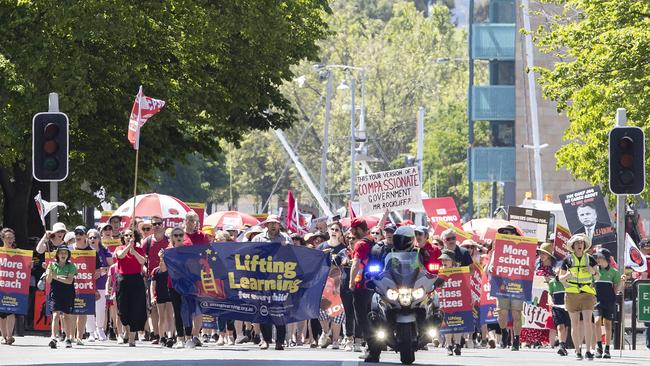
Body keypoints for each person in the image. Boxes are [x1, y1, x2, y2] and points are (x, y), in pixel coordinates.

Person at [252, 215, 291, 350]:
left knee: (279, 311)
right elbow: (251, 257)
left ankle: (280, 341)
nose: (273, 225)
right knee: (264, 310)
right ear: (266, 225)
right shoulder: (258, 238)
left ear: (279, 225)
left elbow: (293, 258)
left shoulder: (286, 238)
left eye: (276, 223)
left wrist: (287, 248)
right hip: (263, 280)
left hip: (280, 281)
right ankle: (266, 340)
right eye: (271, 223)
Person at [559, 233, 599, 360]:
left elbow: (598, 276)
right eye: (577, 243)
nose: (580, 245)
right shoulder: (567, 260)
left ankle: (588, 350)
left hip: (587, 293)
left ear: (584, 245)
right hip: (571, 294)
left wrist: (592, 271)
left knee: (588, 322)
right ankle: (577, 351)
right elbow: (560, 278)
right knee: (574, 323)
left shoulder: (590, 259)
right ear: (573, 246)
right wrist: (567, 276)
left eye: (581, 242)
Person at [347, 218, 376, 359]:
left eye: (352, 229)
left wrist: (351, 282)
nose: (351, 232)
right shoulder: (374, 242)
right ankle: (374, 345)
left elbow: (356, 264)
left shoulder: (360, 244)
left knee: (362, 318)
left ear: (358, 229)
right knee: (372, 317)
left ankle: (371, 347)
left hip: (361, 285)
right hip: (375, 286)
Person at [114, 229, 147, 347]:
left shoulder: (139, 250)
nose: (128, 237)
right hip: (123, 280)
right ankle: (126, 332)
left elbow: (143, 261)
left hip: (136, 280)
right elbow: (120, 256)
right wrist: (128, 247)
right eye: (126, 235)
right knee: (123, 310)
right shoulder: (120, 248)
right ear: (123, 237)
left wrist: (134, 252)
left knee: (136, 308)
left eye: (130, 235)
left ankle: (132, 338)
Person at [69, 225, 101, 345]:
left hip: (86, 286)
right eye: (76, 233)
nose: (78, 236)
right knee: (72, 312)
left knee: (82, 312)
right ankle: (70, 336)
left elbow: (98, 270)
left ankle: (79, 337)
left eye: (80, 234)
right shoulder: (69, 249)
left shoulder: (92, 252)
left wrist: (97, 273)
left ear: (85, 236)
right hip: (71, 285)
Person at [142, 216, 170, 344]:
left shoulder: (168, 241)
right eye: (154, 224)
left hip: (167, 276)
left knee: (169, 307)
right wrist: (144, 269)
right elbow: (141, 259)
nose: (157, 226)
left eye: (159, 223)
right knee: (153, 307)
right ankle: (157, 335)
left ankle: (169, 334)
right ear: (151, 226)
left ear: (163, 225)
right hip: (152, 277)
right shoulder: (147, 241)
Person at [593, 248, 624, 359]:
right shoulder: (594, 270)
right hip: (596, 301)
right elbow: (591, 285)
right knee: (596, 321)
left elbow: (616, 290)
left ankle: (607, 349)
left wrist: (621, 282)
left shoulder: (614, 272)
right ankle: (598, 347)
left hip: (609, 301)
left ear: (606, 258)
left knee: (608, 324)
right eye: (597, 257)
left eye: (600, 257)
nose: (598, 259)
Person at [46, 245, 77, 348]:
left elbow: (69, 281)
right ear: (57, 254)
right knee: (55, 315)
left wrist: (56, 277)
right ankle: (53, 338)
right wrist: (50, 273)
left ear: (68, 255)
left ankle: (68, 338)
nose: (63, 254)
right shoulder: (52, 265)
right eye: (61, 252)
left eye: (65, 253)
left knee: (66, 316)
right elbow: (49, 281)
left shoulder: (71, 266)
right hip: (55, 292)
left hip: (68, 293)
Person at [86, 228, 113, 341]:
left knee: (101, 308)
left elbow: (112, 266)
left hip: (101, 283)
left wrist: (102, 270)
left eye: (95, 237)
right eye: (90, 237)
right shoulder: (85, 250)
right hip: (87, 283)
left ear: (99, 239)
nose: (92, 239)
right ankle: (91, 332)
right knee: (89, 308)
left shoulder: (104, 250)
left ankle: (100, 328)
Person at [438, 249, 464, 356]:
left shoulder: (460, 272)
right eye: (442, 259)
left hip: (457, 301)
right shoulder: (440, 271)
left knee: (458, 323)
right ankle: (448, 345)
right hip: (445, 301)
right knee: (447, 323)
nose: (444, 262)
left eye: (446, 259)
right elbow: (437, 286)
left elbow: (465, 286)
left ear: (452, 261)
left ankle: (457, 345)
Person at [0, 228, 21, 345]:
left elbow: (25, 266)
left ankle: (10, 336)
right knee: (2, 314)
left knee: (11, 311)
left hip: (14, 286)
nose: (10, 240)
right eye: (7, 237)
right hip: (1, 285)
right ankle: (3, 336)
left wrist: (29, 264)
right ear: (2, 238)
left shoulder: (18, 252)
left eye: (12, 238)